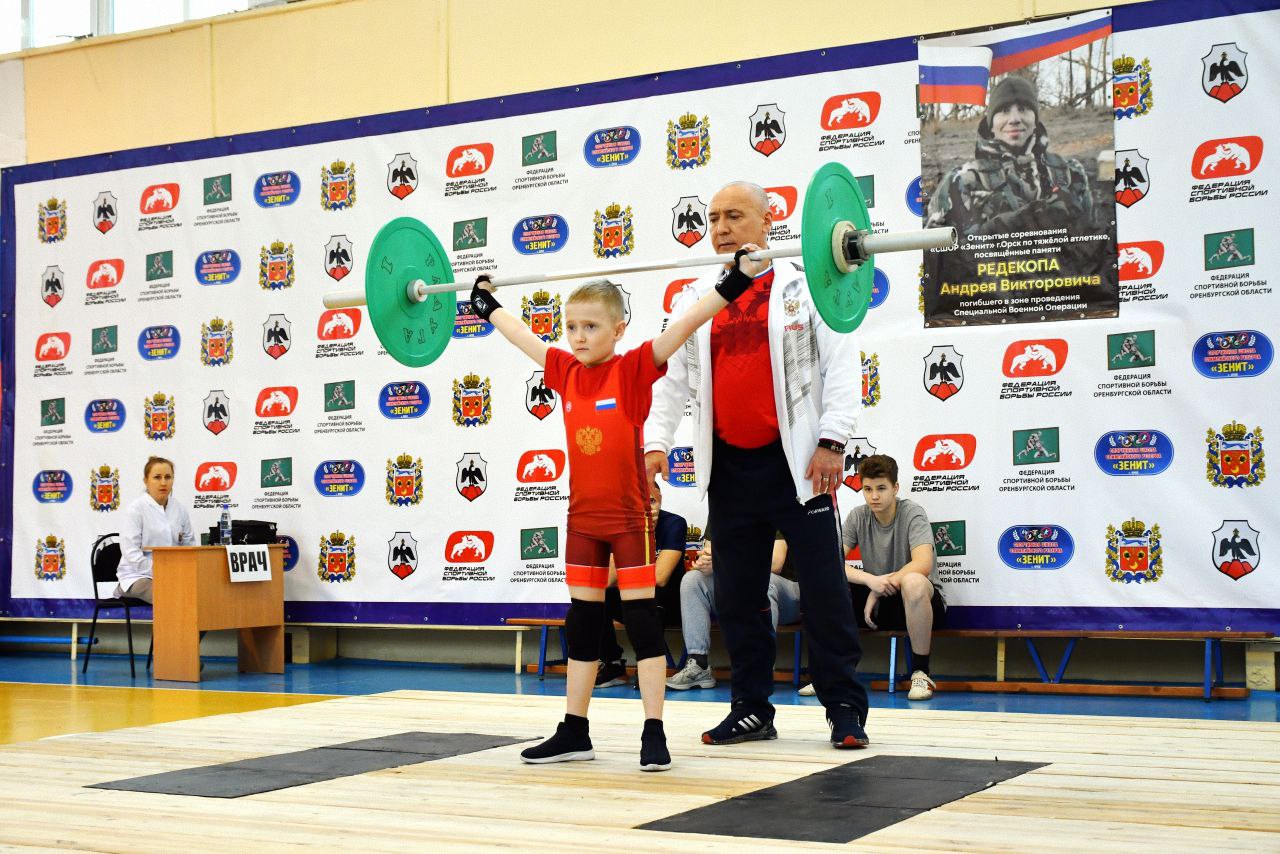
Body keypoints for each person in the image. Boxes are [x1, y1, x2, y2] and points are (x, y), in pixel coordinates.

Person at [469, 258, 755, 772]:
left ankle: (654, 732)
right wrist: (486, 304)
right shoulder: (564, 371)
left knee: (643, 622)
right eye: (571, 327)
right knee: (582, 624)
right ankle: (574, 731)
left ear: (618, 329)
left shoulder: (633, 369)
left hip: (629, 522)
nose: (578, 337)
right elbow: (520, 336)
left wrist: (734, 282)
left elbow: (687, 323)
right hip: (582, 522)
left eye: (591, 326)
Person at [644, 180, 871, 750]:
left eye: (735, 216)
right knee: (738, 596)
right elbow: (670, 378)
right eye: (713, 217)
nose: (721, 227)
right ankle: (750, 709)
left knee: (824, 591)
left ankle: (844, 708)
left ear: (768, 222)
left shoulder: (806, 286)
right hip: (729, 468)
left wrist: (832, 441)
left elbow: (843, 366)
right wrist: (656, 441)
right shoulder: (697, 296)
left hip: (798, 466)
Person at [925, 74, 1094, 241]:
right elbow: (933, 250)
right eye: (1004, 111)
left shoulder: (1071, 173)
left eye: (1023, 109)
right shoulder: (959, 182)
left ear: (1035, 120)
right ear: (991, 125)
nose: (1014, 119)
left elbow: (1093, 241)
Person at [842, 454, 945, 701]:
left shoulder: (912, 512)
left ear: (895, 488)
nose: (874, 496)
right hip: (880, 603)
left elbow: (923, 563)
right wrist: (870, 582)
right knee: (832, 585)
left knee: (913, 581)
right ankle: (833, 673)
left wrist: (880, 587)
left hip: (921, 604)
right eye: (868, 489)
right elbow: (831, 562)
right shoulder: (857, 516)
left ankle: (921, 673)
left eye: (881, 488)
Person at [666, 532, 799, 690]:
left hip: (787, 594)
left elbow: (775, 564)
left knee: (763, 581)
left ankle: (759, 671)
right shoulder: (721, 514)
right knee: (693, 579)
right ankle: (698, 663)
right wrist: (707, 563)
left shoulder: (772, 514)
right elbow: (709, 552)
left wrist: (723, 563)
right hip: (738, 589)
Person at [595, 481, 688, 689]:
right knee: (596, 596)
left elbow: (661, 577)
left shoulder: (674, 523)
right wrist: (635, 533)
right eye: (640, 503)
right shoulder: (621, 527)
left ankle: (648, 668)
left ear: (660, 500)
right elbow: (607, 579)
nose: (648, 508)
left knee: (652, 596)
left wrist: (627, 571)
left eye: (652, 501)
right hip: (632, 600)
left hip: (669, 603)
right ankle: (613, 665)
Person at [115, 456, 196, 603]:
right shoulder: (136, 509)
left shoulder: (180, 509)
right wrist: (163, 572)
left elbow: (189, 546)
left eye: (168, 477)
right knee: (170, 594)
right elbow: (131, 553)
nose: (163, 482)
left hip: (174, 575)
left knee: (200, 590)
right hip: (137, 577)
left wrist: (180, 572)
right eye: (157, 477)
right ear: (146, 480)